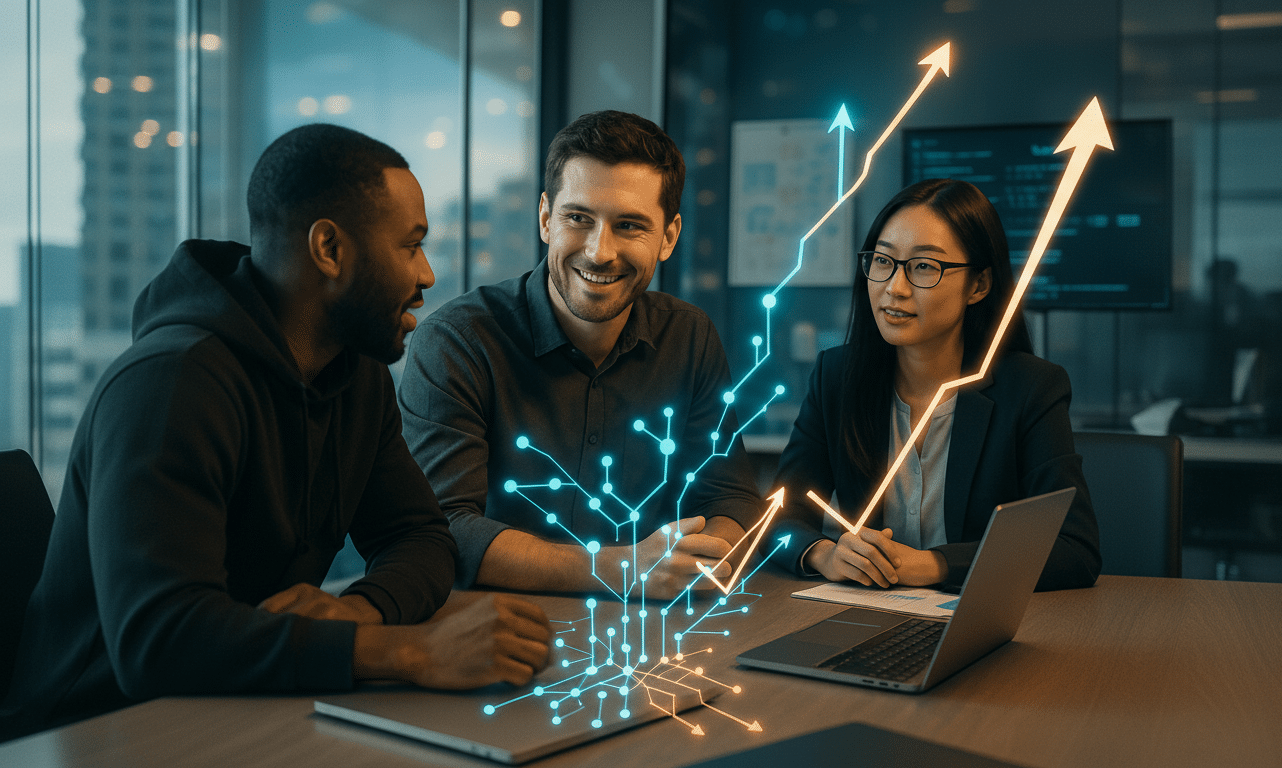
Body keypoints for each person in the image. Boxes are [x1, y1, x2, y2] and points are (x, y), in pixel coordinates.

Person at [0, 124, 551, 741]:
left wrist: (356, 613)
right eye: (411, 245)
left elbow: (420, 536)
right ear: (329, 249)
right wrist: (408, 651)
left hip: (247, 706)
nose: (426, 274)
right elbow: (157, 639)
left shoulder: (356, 375)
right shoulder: (171, 383)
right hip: (93, 732)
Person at [399, 111, 761, 599]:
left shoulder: (689, 336)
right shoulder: (458, 341)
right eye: (578, 218)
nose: (598, 251)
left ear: (669, 237)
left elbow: (730, 496)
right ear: (545, 218)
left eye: (629, 225)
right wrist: (625, 570)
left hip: (652, 626)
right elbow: (442, 528)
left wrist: (697, 562)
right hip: (491, 624)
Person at [769, 178, 1101, 591]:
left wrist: (934, 565)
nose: (895, 288)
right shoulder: (836, 377)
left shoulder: (1031, 389)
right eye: (883, 261)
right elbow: (778, 516)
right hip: (867, 613)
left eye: (924, 266)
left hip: (978, 620)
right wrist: (824, 554)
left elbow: (1073, 549)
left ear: (978, 285)